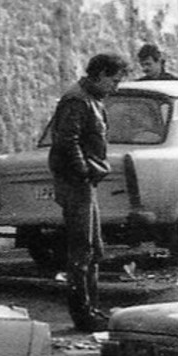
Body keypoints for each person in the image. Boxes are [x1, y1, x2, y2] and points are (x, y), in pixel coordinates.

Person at [48, 52, 131, 333]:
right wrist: (83, 171)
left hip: (84, 182)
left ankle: (91, 309)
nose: (116, 87)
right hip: (76, 183)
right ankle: (83, 314)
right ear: (101, 74)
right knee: (82, 250)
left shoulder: (90, 99)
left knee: (93, 249)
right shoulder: (77, 100)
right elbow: (66, 141)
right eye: (115, 80)